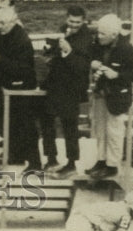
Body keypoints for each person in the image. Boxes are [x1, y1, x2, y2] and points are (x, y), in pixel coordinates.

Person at [0, 6, 41, 172]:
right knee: (7, 122)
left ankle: (35, 163)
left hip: (21, 89)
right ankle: (15, 155)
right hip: (6, 86)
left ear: (13, 22)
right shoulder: (3, 34)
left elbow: (23, 69)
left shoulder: (22, 40)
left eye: (2, 23)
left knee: (25, 125)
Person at [85, 13, 133, 179]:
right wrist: (92, 62)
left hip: (117, 97)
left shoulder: (126, 49)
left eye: (103, 34)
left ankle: (112, 165)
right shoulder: (98, 43)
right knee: (100, 129)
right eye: (98, 32)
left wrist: (117, 75)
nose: (98, 36)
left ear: (114, 35)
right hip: (101, 94)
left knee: (114, 130)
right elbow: (89, 54)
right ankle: (101, 160)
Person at [39, 5, 93, 176]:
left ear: (84, 21)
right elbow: (53, 51)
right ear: (66, 19)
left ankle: (71, 163)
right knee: (46, 121)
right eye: (71, 21)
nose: (74, 25)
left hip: (71, 88)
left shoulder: (87, 39)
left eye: (77, 22)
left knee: (69, 126)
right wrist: (49, 49)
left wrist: (68, 52)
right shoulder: (63, 30)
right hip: (55, 84)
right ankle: (51, 159)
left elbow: (82, 67)